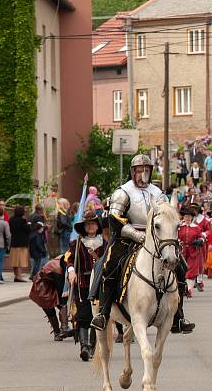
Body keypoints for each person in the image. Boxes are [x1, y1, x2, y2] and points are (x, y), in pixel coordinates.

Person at [90, 154, 195, 334]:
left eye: (146, 170)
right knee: (109, 266)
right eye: (139, 170)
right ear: (133, 172)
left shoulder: (158, 193)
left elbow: (166, 216)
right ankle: (103, 313)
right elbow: (115, 220)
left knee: (179, 267)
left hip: (156, 238)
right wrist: (136, 235)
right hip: (126, 237)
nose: (143, 174)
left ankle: (178, 315)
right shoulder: (123, 192)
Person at [65, 209, 108, 361]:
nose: (90, 226)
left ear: (98, 226)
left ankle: (93, 346)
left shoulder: (106, 244)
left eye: (93, 224)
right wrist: (71, 271)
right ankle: (85, 347)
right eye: (88, 224)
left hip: (100, 284)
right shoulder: (75, 244)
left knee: (98, 316)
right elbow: (69, 260)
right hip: (82, 283)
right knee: (83, 315)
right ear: (83, 227)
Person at [179, 205, 207, 295]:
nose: (187, 218)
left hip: (193, 252)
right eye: (186, 217)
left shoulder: (196, 227)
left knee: (191, 271)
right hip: (182, 251)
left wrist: (200, 240)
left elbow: (202, 237)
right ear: (183, 217)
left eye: (189, 217)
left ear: (191, 218)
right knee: (182, 270)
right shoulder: (179, 227)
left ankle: (189, 289)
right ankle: (183, 287)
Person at [8, 206, 30, 282]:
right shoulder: (22, 220)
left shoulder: (11, 220)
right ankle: (19, 276)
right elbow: (28, 230)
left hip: (14, 242)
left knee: (14, 260)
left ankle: (15, 275)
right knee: (20, 261)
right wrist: (28, 224)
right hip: (22, 243)